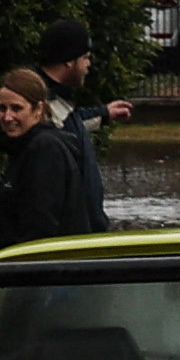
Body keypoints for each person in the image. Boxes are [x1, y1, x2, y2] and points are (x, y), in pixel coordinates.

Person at [31, 19, 126, 230]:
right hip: (71, 238)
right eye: (85, 58)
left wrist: (104, 113)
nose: (88, 66)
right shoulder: (43, 107)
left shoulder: (59, 102)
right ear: (68, 61)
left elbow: (71, 122)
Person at [0, 68, 99, 246]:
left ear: (38, 109)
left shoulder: (44, 149)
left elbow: (41, 224)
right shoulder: (28, 147)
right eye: (2, 108)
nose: (7, 117)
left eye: (16, 108)